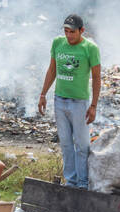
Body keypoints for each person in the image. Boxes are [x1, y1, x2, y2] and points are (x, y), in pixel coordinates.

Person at [37, 14, 101, 189]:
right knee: (65, 143)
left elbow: (96, 78)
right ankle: (71, 182)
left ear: (82, 31)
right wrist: (43, 94)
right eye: (66, 31)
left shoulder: (90, 48)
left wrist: (93, 105)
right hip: (60, 100)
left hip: (79, 102)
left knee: (82, 145)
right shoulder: (58, 43)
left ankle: (83, 183)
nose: (69, 35)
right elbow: (52, 70)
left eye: (72, 32)